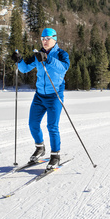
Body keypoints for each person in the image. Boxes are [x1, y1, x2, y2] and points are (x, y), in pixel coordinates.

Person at [12, 28, 70, 170]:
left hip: (54, 96)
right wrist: (19, 61)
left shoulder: (62, 54)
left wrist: (48, 59)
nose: (44, 41)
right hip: (39, 96)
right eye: (42, 38)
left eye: (47, 38)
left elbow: (64, 68)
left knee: (52, 126)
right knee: (32, 123)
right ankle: (40, 148)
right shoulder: (38, 54)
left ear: (55, 39)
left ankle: (55, 156)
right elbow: (25, 69)